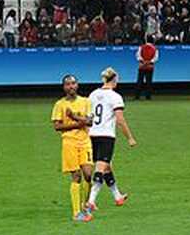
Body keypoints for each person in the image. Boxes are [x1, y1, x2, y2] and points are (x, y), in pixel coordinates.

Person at [84, 67, 137, 210]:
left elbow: (88, 116)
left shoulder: (93, 94)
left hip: (92, 134)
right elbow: (120, 119)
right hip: (106, 136)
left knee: (107, 167)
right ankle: (91, 200)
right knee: (100, 168)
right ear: (114, 80)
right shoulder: (115, 97)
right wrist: (130, 137)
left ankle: (117, 196)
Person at [51, 75, 94, 222]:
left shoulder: (86, 102)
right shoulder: (59, 105)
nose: (71, 86)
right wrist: (78, 124)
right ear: (64, 87)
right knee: (76, 176)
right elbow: (57, 126)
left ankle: (85, 204)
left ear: (77, 85)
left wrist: (74, 117)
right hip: (69, 142)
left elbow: (90, 122)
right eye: (68, 84)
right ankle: (77, 213)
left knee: (88, 174)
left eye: (73, 83)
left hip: (85, 141)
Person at [135, 35, 159, 100]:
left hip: (142, 66)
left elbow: (138, 56)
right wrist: (149, 62)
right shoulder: (155, 48)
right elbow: (155, 58)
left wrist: (143, 62)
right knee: (149, 82)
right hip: (150, 67)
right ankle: (148, 96)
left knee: (139, 81)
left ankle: (137, 96)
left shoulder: (141, 47)